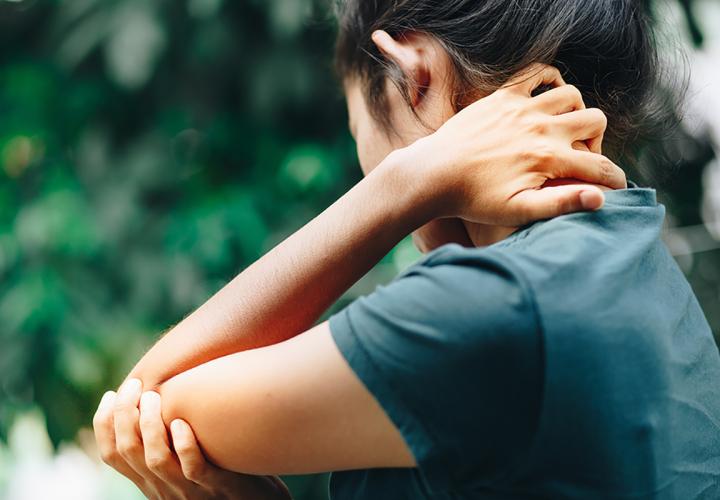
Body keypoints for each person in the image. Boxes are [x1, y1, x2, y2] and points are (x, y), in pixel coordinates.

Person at [93, 1, 720, 499]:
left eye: (357, 132)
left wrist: (407, 185)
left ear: (409, 73)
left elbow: (149, 404)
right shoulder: (638, 260)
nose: (369, 167)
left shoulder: (496, 304)